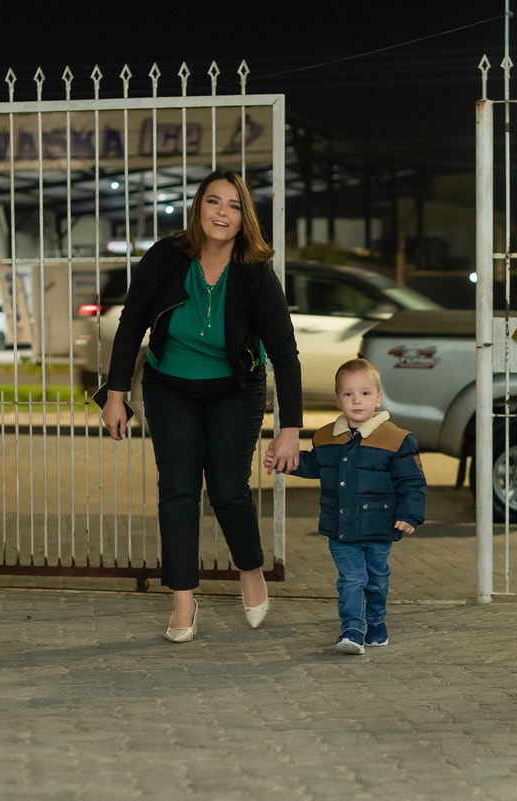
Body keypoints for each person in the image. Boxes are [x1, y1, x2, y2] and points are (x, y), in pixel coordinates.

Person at [99, 169, 302, 643]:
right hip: (170, 388)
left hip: (236, 389)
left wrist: (289, 427)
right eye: (214, 202)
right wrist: (115, 395)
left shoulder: (254, 271)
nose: (222, 213)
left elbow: (285, 351)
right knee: (178, 490)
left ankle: (249, 570)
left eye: (233, 205)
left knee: (229, 488)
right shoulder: (167, 258)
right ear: (198, 208)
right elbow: (131, 324)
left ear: (243, 217)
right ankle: (184, 599)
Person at [267, 358, 426, 655]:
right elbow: (315, 465)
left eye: (365, 393)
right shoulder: (326, 436)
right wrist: (285, 462)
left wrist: (410, 514)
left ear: (378, 398)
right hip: (340, 528)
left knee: (376, 580)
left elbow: (412, 482)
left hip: (380, 527)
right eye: (348, 393)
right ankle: (352, 629)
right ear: (337, 399)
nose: (357, 400)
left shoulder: (396, 439)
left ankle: (376, 622)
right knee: (352, 579)